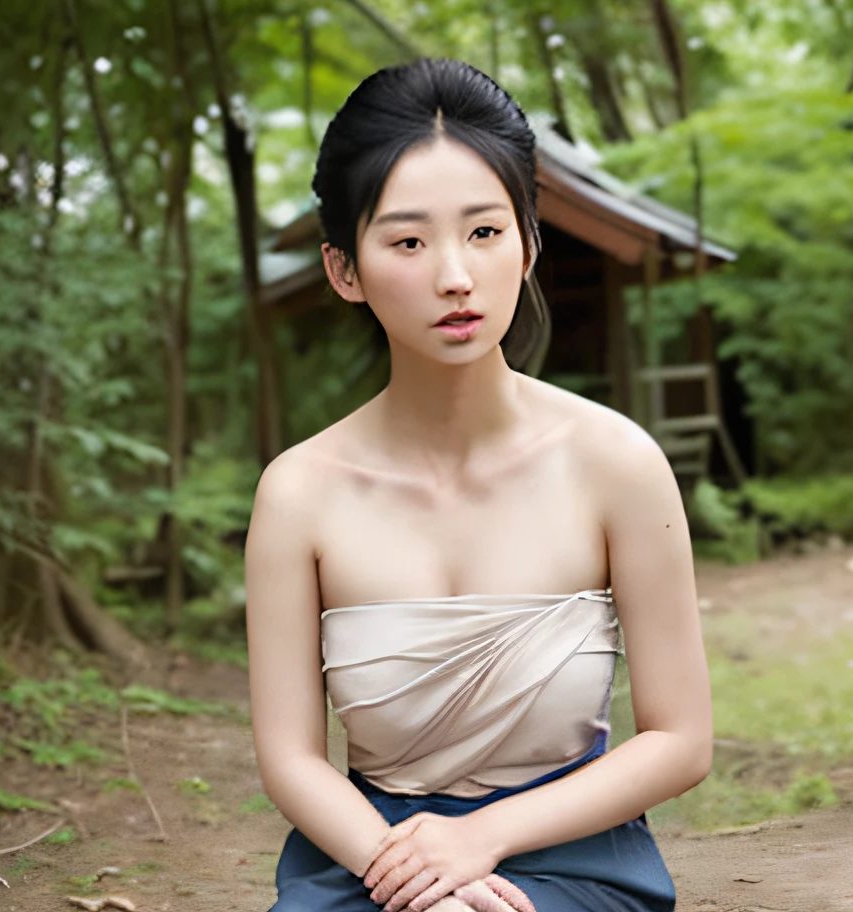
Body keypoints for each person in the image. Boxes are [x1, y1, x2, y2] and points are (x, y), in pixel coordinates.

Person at [245, 57, 713, 912]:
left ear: (529, 245)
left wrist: (478, 839)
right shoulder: (299, 493)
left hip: (572, 855)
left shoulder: (618, 463)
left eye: (485, 233)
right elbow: (291, 758)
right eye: (409, 241)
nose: (454, 276)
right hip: (363, 863)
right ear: (344, 270)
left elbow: (681, 741)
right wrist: (415, 878)